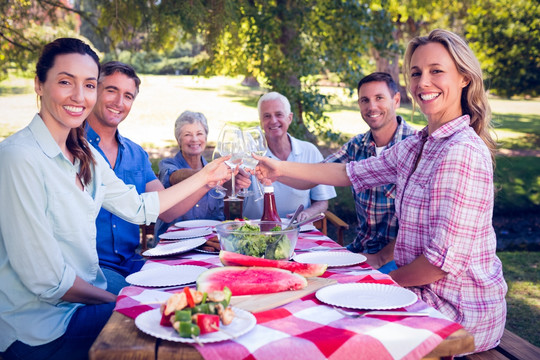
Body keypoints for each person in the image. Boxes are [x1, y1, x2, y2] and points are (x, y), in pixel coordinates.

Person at [254, 29, 507, 353]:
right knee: (314, 310)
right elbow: (349, 171)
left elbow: (439, 263)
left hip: (458, 312)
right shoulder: (418, 145)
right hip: (419, 293)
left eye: (436, 71)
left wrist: (378, 283)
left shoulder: (461, 151)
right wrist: (279, 167)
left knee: (330, 332)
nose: (423, 82)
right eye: (416, 73)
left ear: (464, 78)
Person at [0, 38, 231, 360]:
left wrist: (208, 176)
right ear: (39, 84)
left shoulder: (84, 154)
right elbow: (48, 281)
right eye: (66, 82)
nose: (79, 96)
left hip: (80, 302)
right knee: (180, 331)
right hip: (42, 327)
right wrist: (125, 298)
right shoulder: (18, 157)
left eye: (89, 85)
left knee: (195, 299)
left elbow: (139, 208)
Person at [86, 62, 212, 294]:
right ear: (94, 90)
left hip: (132, 262)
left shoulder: (136, 154)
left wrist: (210, 181)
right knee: (149, 301)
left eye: (128, 96)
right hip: (91, 270)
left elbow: (167, 210)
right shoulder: (73, 146)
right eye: (111, 90)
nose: (119, 102)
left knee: (197, 285)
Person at [323, 72, 417, 273]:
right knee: (316, 274)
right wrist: (270, 169)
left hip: (399, 259)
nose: (371, 107)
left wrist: (380, 258)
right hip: (361, 249)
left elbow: (420, 228)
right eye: (365, 100)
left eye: (379, 98)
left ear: (396, 100)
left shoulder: (416, 146)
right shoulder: (357, 146)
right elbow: (318, 172)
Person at [241, 91, 336, 221]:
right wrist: (234, 181)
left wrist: (308, 213)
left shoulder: (310, 151)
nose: (273, 121)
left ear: (289, 118)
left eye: (279, 114)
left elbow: (322, 201)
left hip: (297, 229)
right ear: (261, 121)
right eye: (267, 116)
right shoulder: (249, 153)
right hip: (255, 232)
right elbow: (231, 189)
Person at [154, 111, 225, 237]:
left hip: (207, 241)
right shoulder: (167, 165)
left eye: (199, 134)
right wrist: (206, 175)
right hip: (173, 243)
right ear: (178, 140)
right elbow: (174, 177)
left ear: (206, 138)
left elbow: (219, 217)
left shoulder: (215, 170)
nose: (194, 139)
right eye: (187, 134)